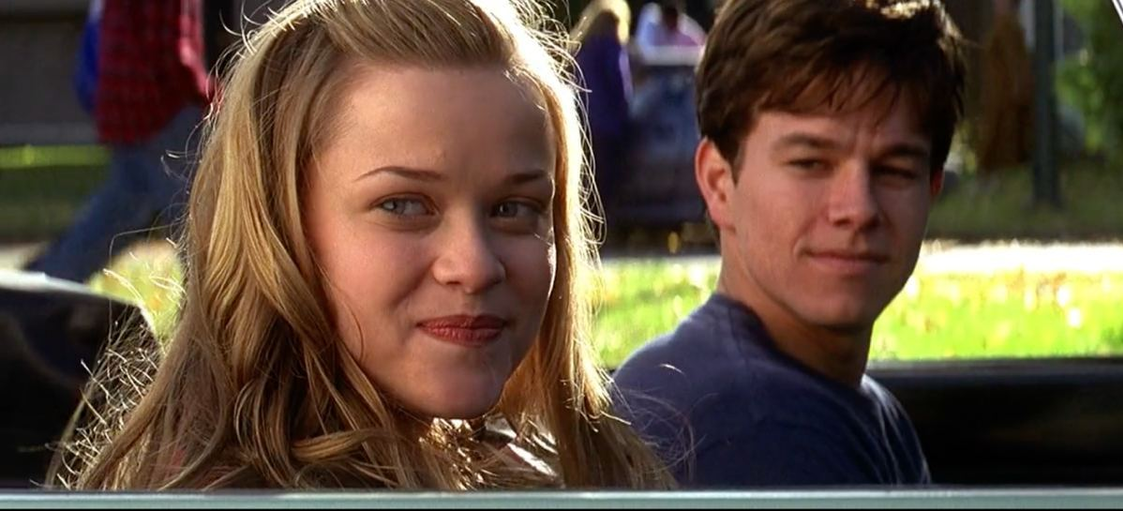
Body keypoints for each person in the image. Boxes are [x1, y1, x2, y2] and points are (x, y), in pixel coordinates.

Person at [47, 0, 673, 490]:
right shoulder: (228, 494)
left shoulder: (553, 468)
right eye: (403, 205)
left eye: (514, 209)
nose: (475, 265)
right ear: (279, 226)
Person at [613, 0, 966, 487]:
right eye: (811, 163)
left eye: (894, 169)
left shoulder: (837, 403)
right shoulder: (753, 430)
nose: (858, 208)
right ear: (719, 183)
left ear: (931, 188)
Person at [26, 0, 212, 284]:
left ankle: (42, 282)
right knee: (197, 218)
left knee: (120, 210)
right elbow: (172, 52)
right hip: (157, 106)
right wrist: (209, 94)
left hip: (122, 100)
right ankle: (215, 301)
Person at [572, 0, 634, 217]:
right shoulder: (611, 44)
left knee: (586, 183)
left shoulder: (582, 47)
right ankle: (604, 226)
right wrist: (627, 116)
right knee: (606, 185)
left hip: (583, 124)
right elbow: (619, 82)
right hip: (608, 126)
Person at [975, 0, 1033, 189]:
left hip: (1005, 98)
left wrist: (1017, 89)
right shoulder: (1003, 27)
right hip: (997, 94)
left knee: (1003, 136)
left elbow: (1016, 64)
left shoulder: (1009, 28)